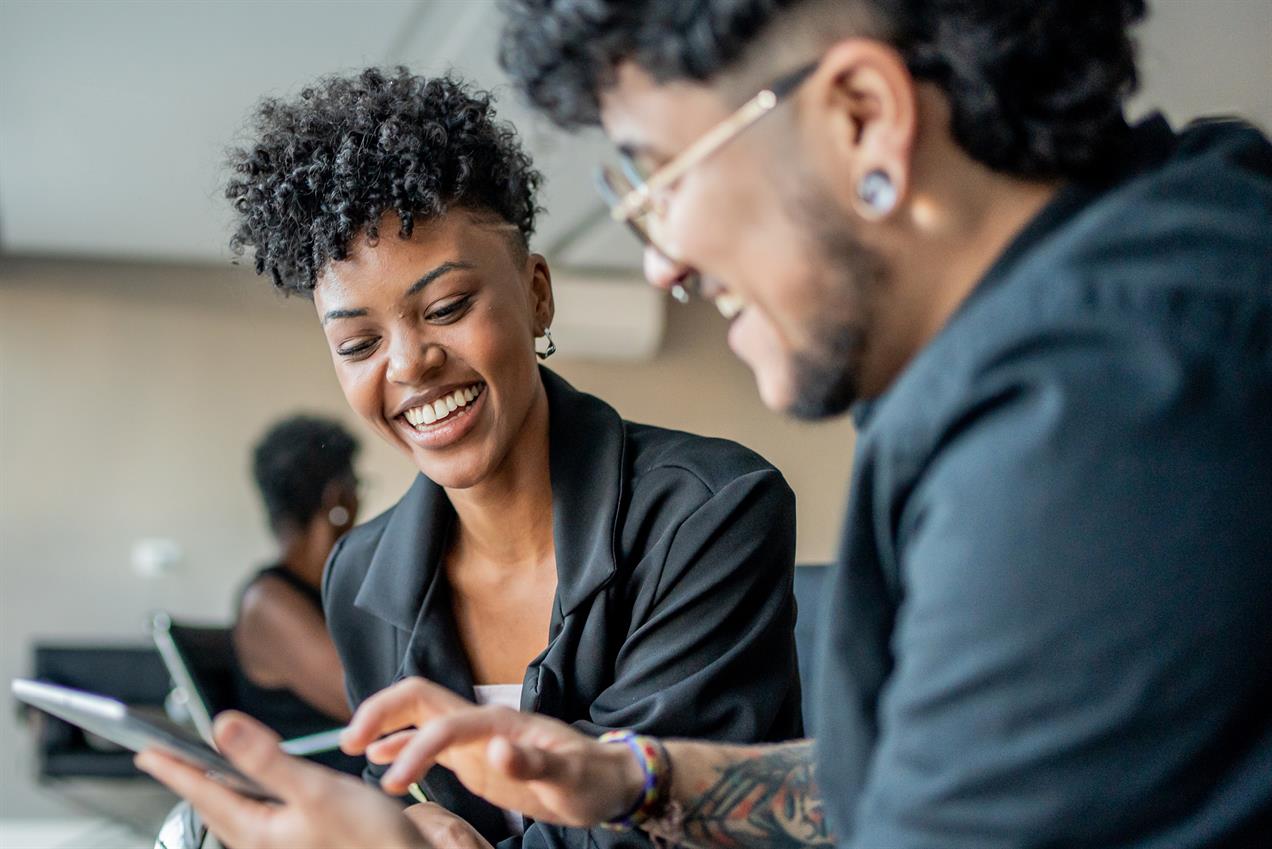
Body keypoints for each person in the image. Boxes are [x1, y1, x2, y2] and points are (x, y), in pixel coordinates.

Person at [136, 1, 1272, 847]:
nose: (663, 259)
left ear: (864, 117)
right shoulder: (1144, 273)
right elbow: (910, 780)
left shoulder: (1097, 414)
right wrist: (638, 775)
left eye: (660, 175)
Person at [141, 67, 803, 849]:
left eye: (447, 307)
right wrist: (409, 817)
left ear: (537, 294)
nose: (409, 364)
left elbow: (653, 827)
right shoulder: (363, 574)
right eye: (359, 344)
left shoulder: (710, 513)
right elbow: (409, 787)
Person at [232, 414, 363, 774]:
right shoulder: (268, 602)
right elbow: (369, 704)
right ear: (338, 498)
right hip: (332, 793)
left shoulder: (325, 589)